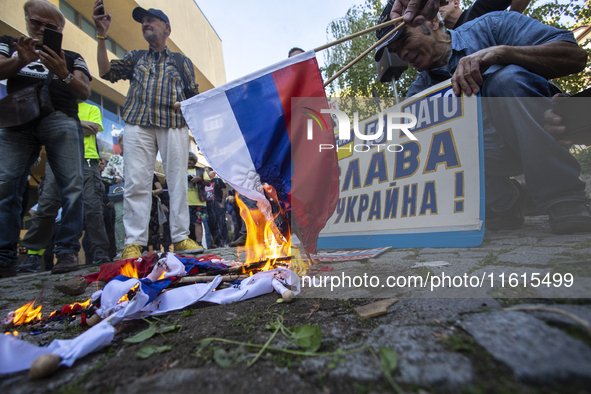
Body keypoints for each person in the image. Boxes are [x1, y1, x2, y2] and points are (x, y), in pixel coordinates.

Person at [376, 11, 590, 234]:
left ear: (431, 21)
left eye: (404, 40)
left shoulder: (493, 27)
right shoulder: (418, 93)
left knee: (507, 80)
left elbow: (574, 56)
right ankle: (506, 199)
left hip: (540, 131)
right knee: (416, 149)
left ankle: (564, 197)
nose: (402, 54)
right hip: (488, 154)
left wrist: (502, 54)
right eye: (394, 51)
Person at [93, 2, 202, 259]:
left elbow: (193, 97)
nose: (145, 23)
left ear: (167, 28)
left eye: (151, 19)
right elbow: (105, 72)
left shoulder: (181, 61)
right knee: (136, 182)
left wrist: (191, 114)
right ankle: (134, 243)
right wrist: (101, 35)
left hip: (173, 124)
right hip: (137, 123)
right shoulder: (135, 57)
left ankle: (181, 238)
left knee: (176, 181)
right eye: (143, 21)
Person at [0, 0, 91, 277]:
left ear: (60, 29)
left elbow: (84, 90)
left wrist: (62, 72)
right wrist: (20, 60)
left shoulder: (72, 56)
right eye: (36, 22)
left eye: (49, 26)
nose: (40, 29)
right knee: (6, 186)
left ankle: (66, 252)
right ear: (26, 20)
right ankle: (4, 257)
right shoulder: (9, 43)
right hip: (17, 118)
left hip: (60, 116)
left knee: (72, 186)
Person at [18, 101, 110, 272]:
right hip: (57, 158)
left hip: (88, 160)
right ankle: (33, 254)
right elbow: (46, 128)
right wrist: (78, 124)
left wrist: (63, 124)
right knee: (47, 205)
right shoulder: (54, 106)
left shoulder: (91, 108)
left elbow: (93, 128)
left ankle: (99, 252)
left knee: (93, 208)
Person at [101, 134, 125, 256]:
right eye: (122, 141)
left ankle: (139, 246)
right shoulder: (115, 159)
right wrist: (115, 179)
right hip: (120, 192)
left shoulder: (140, 157)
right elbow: (104, 175)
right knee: (120, 217)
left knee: (138, 217)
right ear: (119, 144)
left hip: (137, 191)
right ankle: (120, 249)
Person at [438, 0, 530, 29]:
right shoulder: (447, 41)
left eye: (441, 4)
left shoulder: (480, 8)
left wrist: (513, 16)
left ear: (455, 2)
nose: (436, 9)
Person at [187, 152, 211, 247]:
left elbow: (209, 183)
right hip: (183, 202)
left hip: (199, 202)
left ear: (195, 161)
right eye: (188, 159)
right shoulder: (180, 170)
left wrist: (199, 179)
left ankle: (199, 243)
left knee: (198, 222)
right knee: (184, 224)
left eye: (191, 160)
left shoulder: (201, 170)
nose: (189, 161)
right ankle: (187, 243)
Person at [205, 167, 230, 248]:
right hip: (208, 206)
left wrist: (222, 203)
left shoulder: (217, 181)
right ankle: (217, 243)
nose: (205, 172)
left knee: (221, 223)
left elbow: (224, 191)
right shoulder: (203, 182)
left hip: (218, 205)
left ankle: (225, 242)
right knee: (212, 224)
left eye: (206, 170)